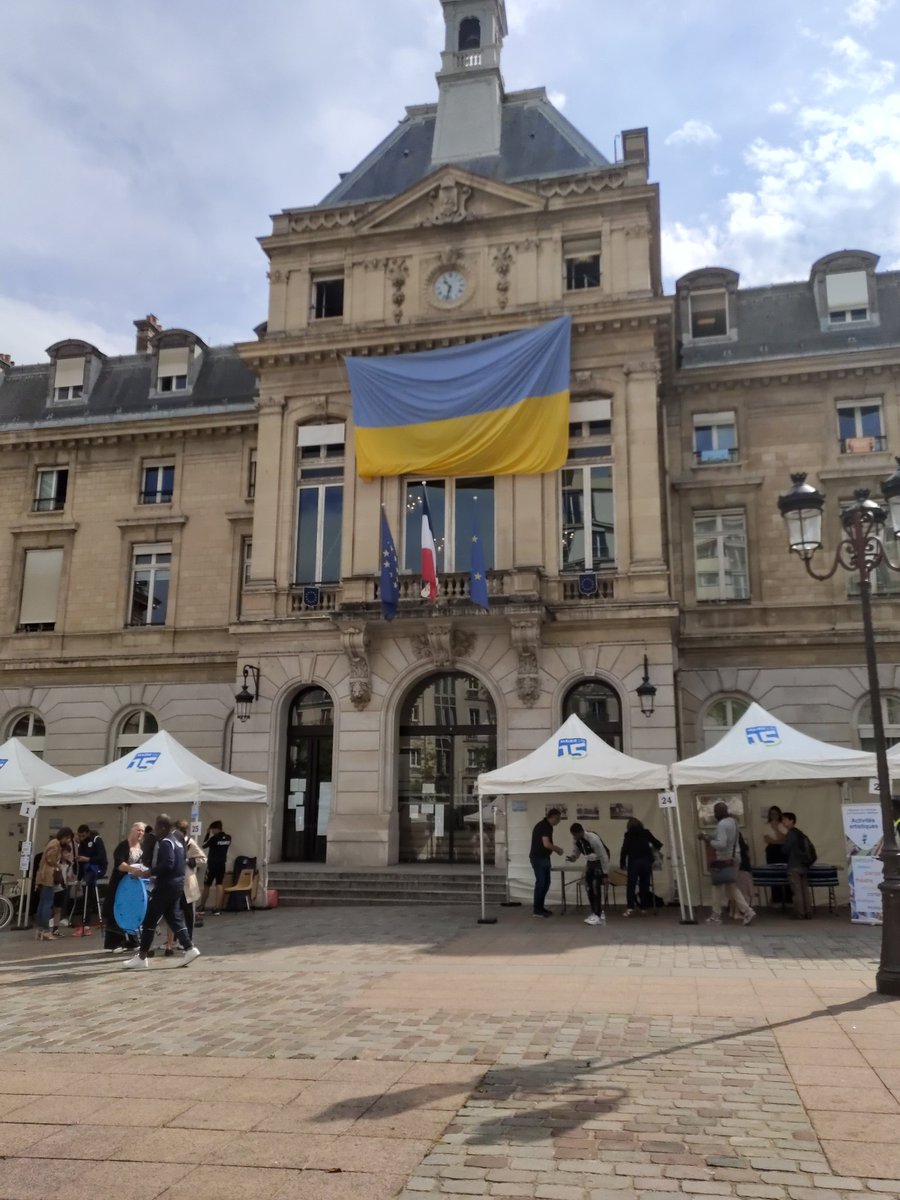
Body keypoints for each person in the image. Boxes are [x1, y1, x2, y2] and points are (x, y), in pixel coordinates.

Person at [122, 814, 201, 970]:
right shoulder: (178, 841)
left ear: (163, 827)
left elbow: (168, 864)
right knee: (174, 918)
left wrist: (147, 873)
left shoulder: (165, 843)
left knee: (150, 920)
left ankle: (142, 956)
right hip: (177, 884)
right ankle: (189, 948)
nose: (155, 832)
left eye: (157, 828)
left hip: (165, 885)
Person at [700, 801, 756, 925]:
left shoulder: (722, 824)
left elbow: (721, 844)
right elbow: (718, 836)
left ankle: (716, 915)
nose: (714, 815)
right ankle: (747, 911)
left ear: (719, 813)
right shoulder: (733, 822)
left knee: (717, 886)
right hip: (736, 857)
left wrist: (708, 841)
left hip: (724, 859)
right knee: (731, 886)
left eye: (715, 812)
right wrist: (708, 836)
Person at [103, 822, 146, 952]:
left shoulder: (142, 847)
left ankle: (132, 941)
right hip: (119, 883)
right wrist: (133, 869)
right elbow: (119, 864)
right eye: (138, 830)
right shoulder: (123, 846)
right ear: (132, 830)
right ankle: (113, 943)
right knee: (117, 909)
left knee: (132, 910)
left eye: (142, 831)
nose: (140, 833)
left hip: (133, 884)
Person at [165, 819, 206, 956]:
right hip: (174, 882)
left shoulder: (189, 843)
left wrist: (189, 861)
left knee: (188, 913)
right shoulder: (171, 842)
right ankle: (173, 940)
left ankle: (188, 939)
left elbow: (202, 858)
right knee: (174, 912)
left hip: (187, 882)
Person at [34, 827, 74, 940]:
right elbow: (50, 858)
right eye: (68, 839)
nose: (67, 841)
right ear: (64, 836)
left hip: (43, 877)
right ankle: (45, 930)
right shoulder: (55, 844)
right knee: (47, 904)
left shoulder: (52, 842)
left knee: (42, 904)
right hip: (48, 877)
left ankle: (40, 929)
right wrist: (57, 866)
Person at [567, 822, 610, 927]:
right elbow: (576, 851)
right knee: (589, 888)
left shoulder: (593, 839)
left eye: (576, 835)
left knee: (596, 888)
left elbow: (604, 856)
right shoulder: (576, 840)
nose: (575, 837)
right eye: (573, 835)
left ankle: (598, 915)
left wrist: (605, 874)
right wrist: (573, 858)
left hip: (598, 862)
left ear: (581, 832)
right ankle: (594, 912)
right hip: (590, 863)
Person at [619, 817, 662, 916]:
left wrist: (622, 863)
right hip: (646, 861)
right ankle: (643, 908)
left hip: (634, 862)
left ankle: (630, 908)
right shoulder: (646, 832)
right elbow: (658, 844)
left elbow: (624, 849)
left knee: (631, 885)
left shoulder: (628, 835)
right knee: (644, 885)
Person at [529, 809, 564, 917]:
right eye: (558, 819)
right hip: (538, 858)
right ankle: (537, 910)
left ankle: (540, 907)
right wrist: (557, 849)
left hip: (544, 858)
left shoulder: (547, 826)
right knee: (541, 883)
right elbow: (546, 844)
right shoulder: (544, 826)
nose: (559, 821)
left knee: (546, 883)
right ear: (552, 817)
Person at [781, 811, 814, 920]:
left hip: (794, 865)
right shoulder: (800, 833)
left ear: (791, 821)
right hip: (803, 865)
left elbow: (785, 850)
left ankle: (800, 913)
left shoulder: (790, 834)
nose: (783, 822)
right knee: (804, 889)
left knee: (797, 890)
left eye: (785, 819)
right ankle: (808, 911)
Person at [76, 824, 108, 923]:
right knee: (87, 885)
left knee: (89, 885)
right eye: (79, 836)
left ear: (88, 833)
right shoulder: (81, 844)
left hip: (99, 868)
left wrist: (88, 859)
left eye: (83, 836)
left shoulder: (97, 840)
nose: (81, 838)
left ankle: (87, 920)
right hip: (87, 870)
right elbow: (81, 863)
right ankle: (86, 916)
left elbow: (102, 857)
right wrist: (78, 879)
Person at [198, 821, 232, 915]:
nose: (212, 832)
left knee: (207, 885)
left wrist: (207, 833)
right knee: (219, 884)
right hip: (222, 864)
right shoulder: (228, 838)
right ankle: (217, 908)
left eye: (212, 830)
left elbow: (204, 845)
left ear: (216, 829)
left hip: (212, 864)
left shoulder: (214, 838)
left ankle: (202, 907)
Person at [764, 805, 790, 904]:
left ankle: (788, 899)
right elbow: (767, 840)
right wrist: (778, 841)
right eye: (772, 814)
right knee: (773, 873)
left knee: (785, 873)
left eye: (776, 813)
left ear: (779, 814)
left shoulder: (783, 825)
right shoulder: (766, 826)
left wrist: (776, 829)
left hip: (783, 851)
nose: (774, 815)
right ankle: (777, 899)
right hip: (771, 851)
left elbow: (785, 839)